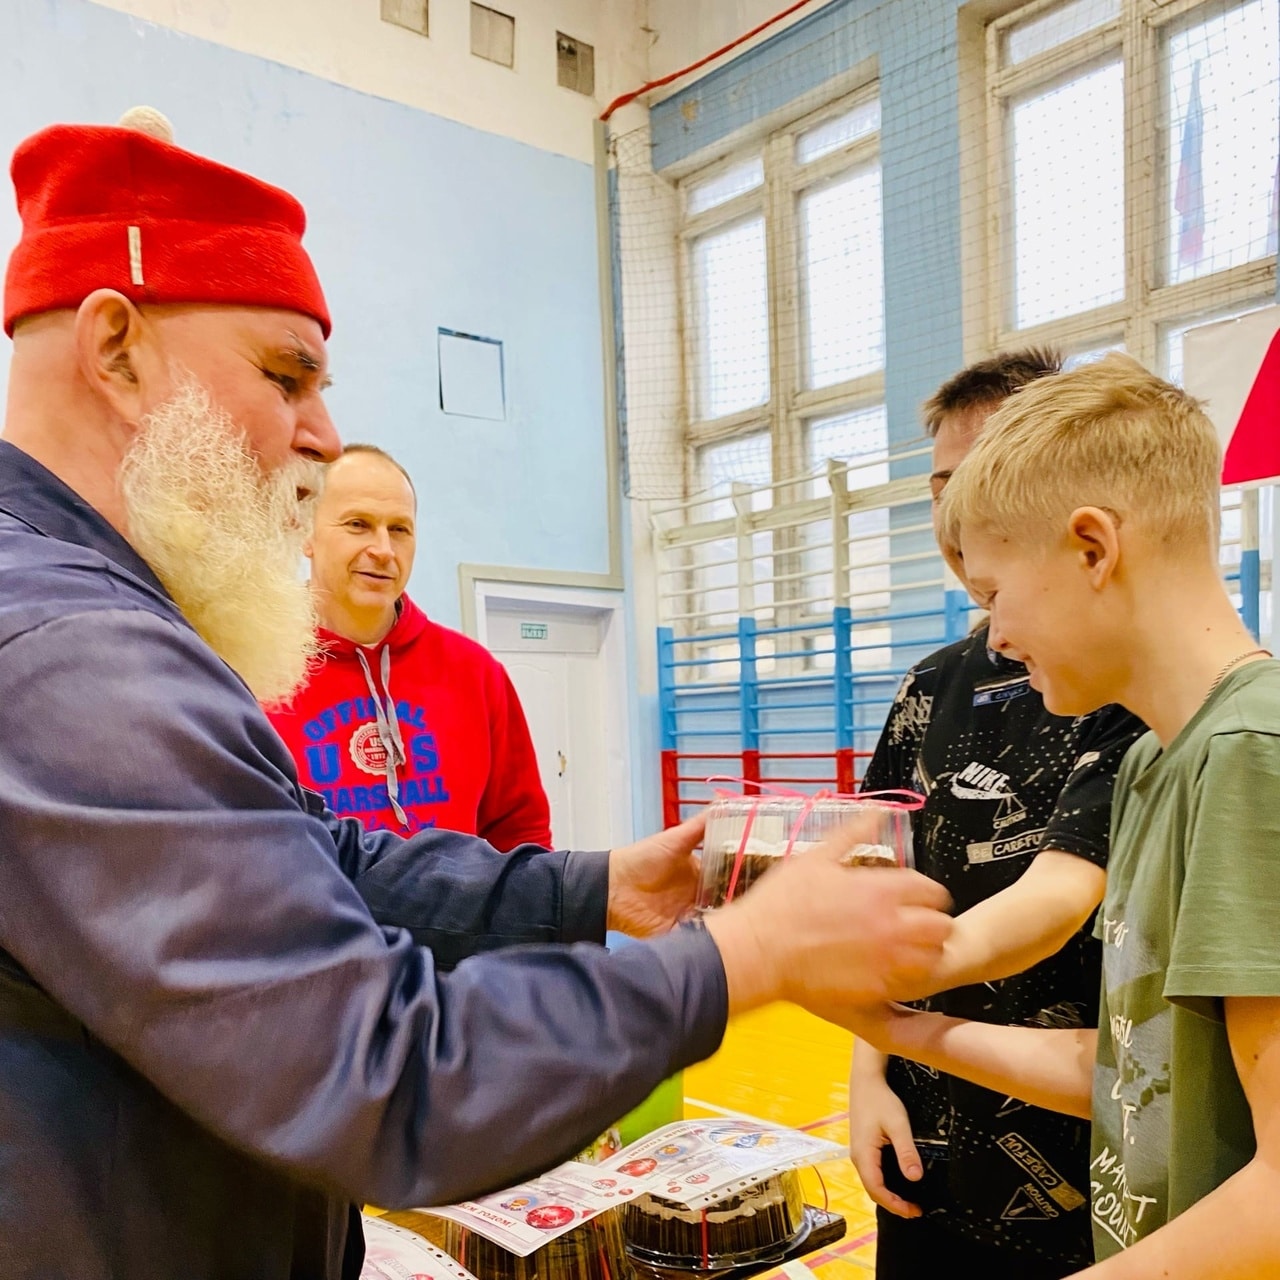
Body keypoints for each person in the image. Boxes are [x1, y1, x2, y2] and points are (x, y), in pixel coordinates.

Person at [0, 112, 956, 1279]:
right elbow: (380, 1074)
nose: (322, 430)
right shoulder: (74, 654)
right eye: (284, 374)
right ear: (115, 346)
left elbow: (316, 859)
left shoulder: (89, 613)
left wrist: (594, 889)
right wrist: (742, 959)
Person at [840, 354, 1280, 1276]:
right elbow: (1132, 1077)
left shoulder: (1248, 756)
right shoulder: (1160, 759)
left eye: (997, 594)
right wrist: (886, 1028)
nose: (994, 636)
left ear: (1093, 547)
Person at [849, 353, 1146, 1278]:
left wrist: (802, 974)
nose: (952, 517)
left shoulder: (1125, 683)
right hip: (924, 1143)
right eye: (940, 484)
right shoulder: (933, 681)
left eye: (975, 483)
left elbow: (1058, 896)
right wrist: (868, 1069)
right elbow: (877, 876)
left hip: (1070, 1155)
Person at [268, 443, 553, 845]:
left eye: (399, 529)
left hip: (458, 909)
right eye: (358, 524)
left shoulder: (475, 673)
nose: (383, 550)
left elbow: (521, 832)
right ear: (305, 533)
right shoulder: (256, 670)